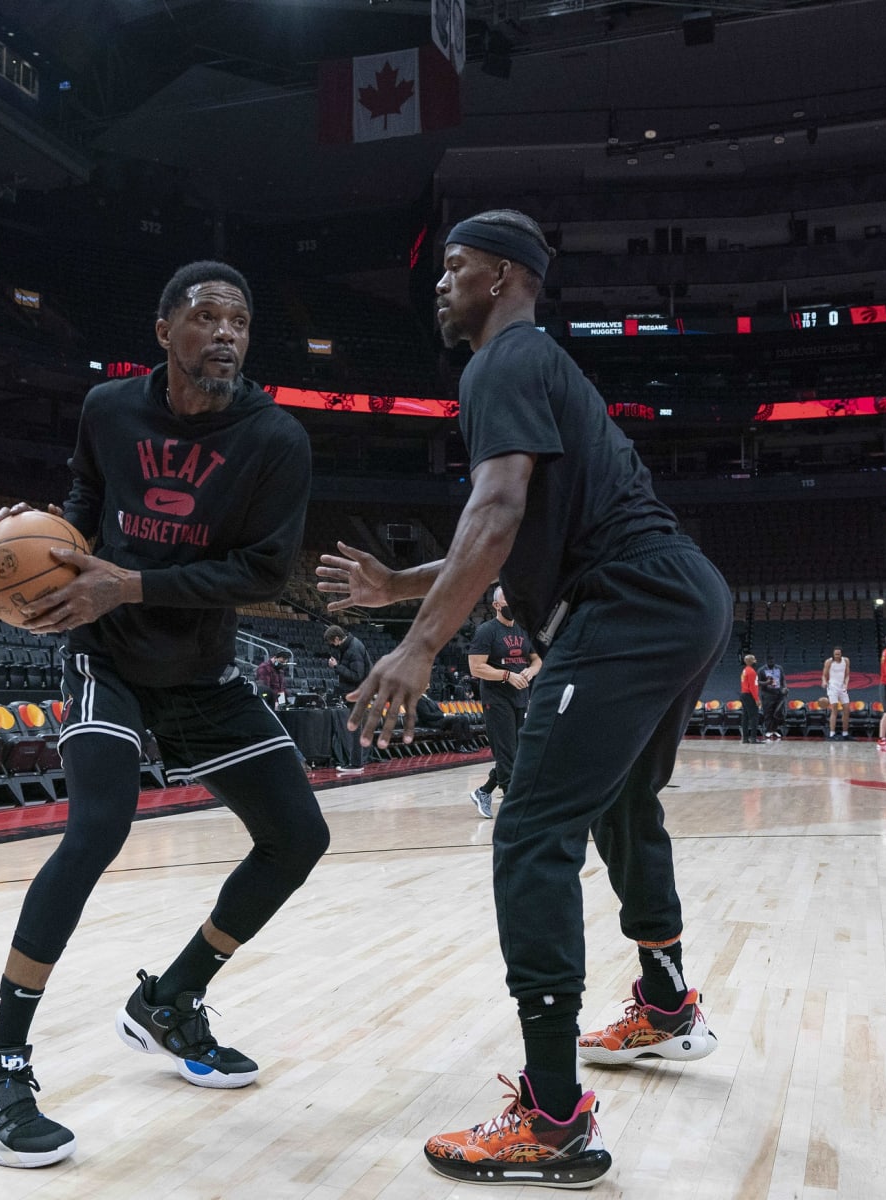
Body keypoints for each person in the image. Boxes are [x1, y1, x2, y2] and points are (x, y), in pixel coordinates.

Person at [316, 209, 731, 1189]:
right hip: (683, 596)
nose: (439, 285)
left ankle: (551, 1120)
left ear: (501, 277)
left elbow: (496, 512)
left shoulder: (499, 364)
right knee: (627, 803)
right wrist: (397, 586)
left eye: (453, 268)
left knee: (530, 832)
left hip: (624, 605)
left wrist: (418, 649)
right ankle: (667, 1003)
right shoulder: (539, 365)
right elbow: (489, 530)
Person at [0, 261, 330, 1169]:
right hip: (105, 653)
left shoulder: (275, 440)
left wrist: (137, 582)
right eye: (205, 317)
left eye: (239, 319)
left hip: (197, 667)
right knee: (98, 828)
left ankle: (170, 999)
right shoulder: (109, 411)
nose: (226, 333)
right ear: (165, 331)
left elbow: (266, 574)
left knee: (298, 836)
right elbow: (83, 502)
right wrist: (31, 548)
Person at [467, 586, 542, 818]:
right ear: (496, 606)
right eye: (507, 601)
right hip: (496, 699)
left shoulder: (523, 630)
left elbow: (537, 658)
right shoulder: (486, 631)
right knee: (507, 754)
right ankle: (515, 809)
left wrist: (530, 672)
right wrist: (508, 675)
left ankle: (484, 791)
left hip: (521, 698)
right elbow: (476, 667)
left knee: (520, 753)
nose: (512, 605)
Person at [324, 623, 372, 772]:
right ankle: (356, 762)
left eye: (332, 642)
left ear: (337, 638)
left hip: (359, 692)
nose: (332, 646)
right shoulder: (351, 646)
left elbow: (357, 675)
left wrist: (336, 667)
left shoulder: (353, 649)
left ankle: (356, 764)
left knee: (356, 728)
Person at [822, 647, 851, 740]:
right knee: (834, 709)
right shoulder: (829, 662)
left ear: (841, 654)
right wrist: (824, 682)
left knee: (847, 709)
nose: (837, 655)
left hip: (842, 687)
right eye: (836, 654)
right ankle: (832, 733)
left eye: (839, 654)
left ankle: (845, 733)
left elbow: (847, 675)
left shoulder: (846, 661)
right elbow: (824, 675)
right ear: (833, 654)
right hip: (832, 687)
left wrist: (846, 684)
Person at [759, 656, 787, 739]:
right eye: (769, 660)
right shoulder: (761, 670)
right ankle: (768, 730)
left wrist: (785, 687)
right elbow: (758, 682)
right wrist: (766, 683)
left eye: (772, 660)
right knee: (768, 713)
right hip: (767, 694)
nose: (771, 661)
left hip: (778, 693)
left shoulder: (779, 668)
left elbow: (783, 680)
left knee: (777, 712)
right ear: (766, 661)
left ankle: (775, 730)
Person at [740, 653, 761, 744]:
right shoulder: (752, 672)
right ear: (750, 661)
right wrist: (757, 699)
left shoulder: (744, 671)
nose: (755, 661)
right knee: (754, 717)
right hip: (749, 695)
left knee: (745, 717)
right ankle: (753, 738)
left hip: (743, 694)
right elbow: (753, 687)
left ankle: (745, 738)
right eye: (754, 659)